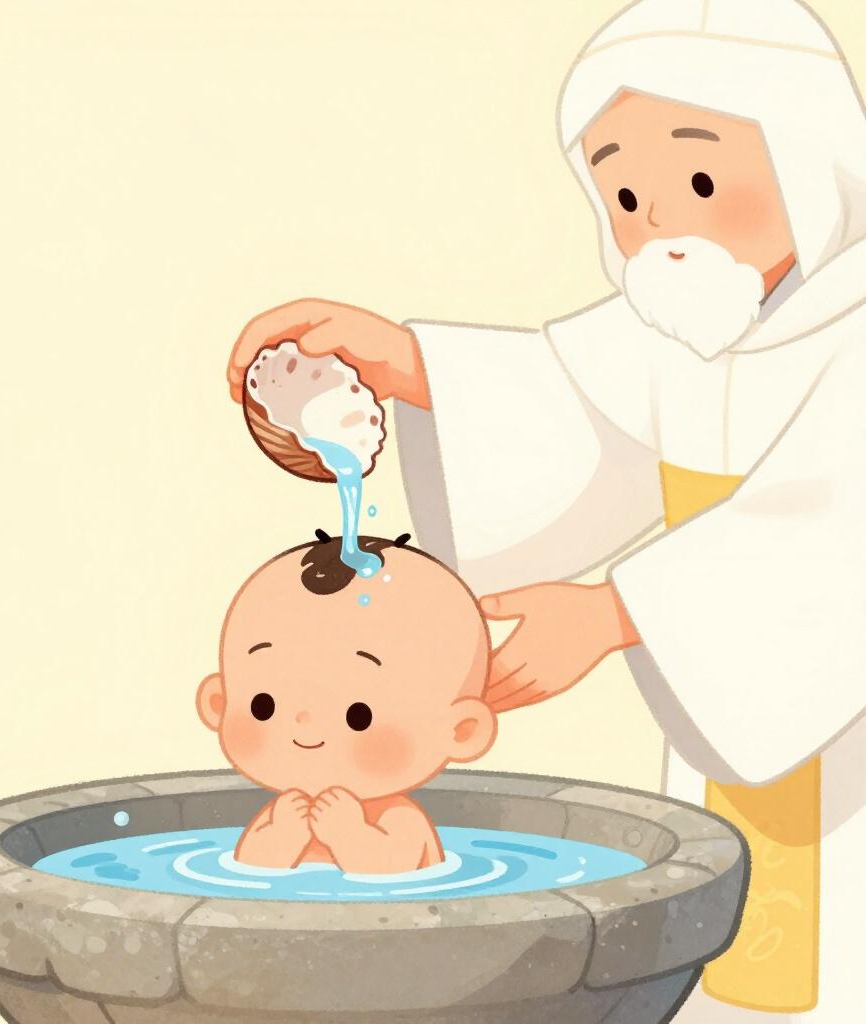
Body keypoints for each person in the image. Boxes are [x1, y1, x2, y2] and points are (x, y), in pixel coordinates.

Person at [225, 2, 866, 1018]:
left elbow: (837, 536)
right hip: (730, 739)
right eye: (623, 193)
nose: (662, 225)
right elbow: (575, 406)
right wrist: (408, 367)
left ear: (809, 164)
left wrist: (617, 615)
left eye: (699, 181)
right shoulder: (699, 327)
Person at [196, 532, 495, 873]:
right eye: (263, 706)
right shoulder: (283, 814)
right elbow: (247, 873)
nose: (304, 724)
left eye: (359, 715)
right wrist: (279, 838)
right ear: (219, 705)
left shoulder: (398, 819)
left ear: (460, 731)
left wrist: (350, 835)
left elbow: (396, 882)